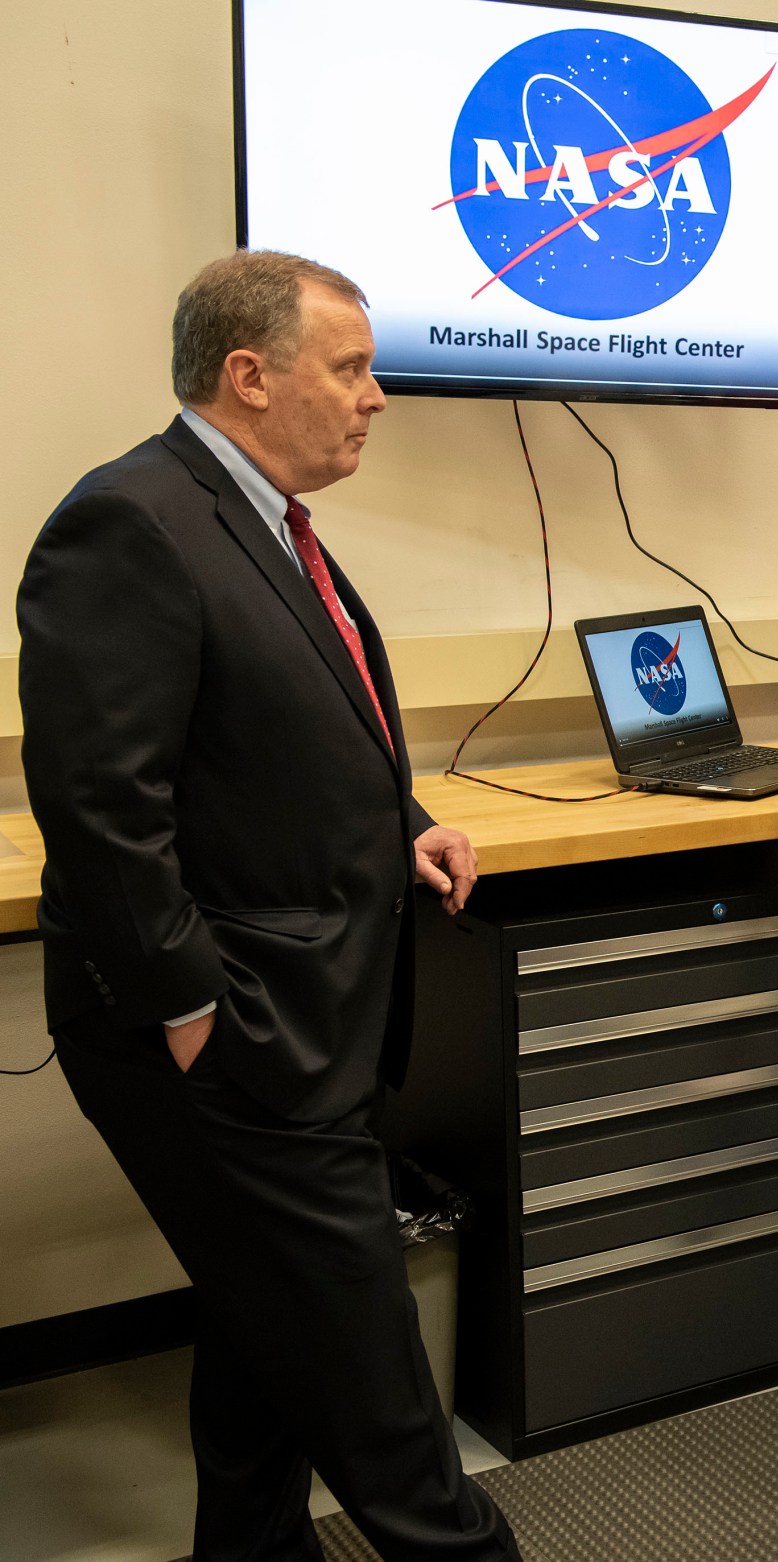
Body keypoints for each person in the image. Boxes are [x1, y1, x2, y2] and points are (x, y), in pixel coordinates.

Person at [17, 250, 520, 1560]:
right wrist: (195, 1012)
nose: (378, 397)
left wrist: (403, 825)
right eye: (349, 368)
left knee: (264, 1333)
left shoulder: (257, 516)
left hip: (299, 1005)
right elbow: (100, 806)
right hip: (224, 1034)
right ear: (250, 376)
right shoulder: (129, 520)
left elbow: (274, 737)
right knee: (377, 1386)